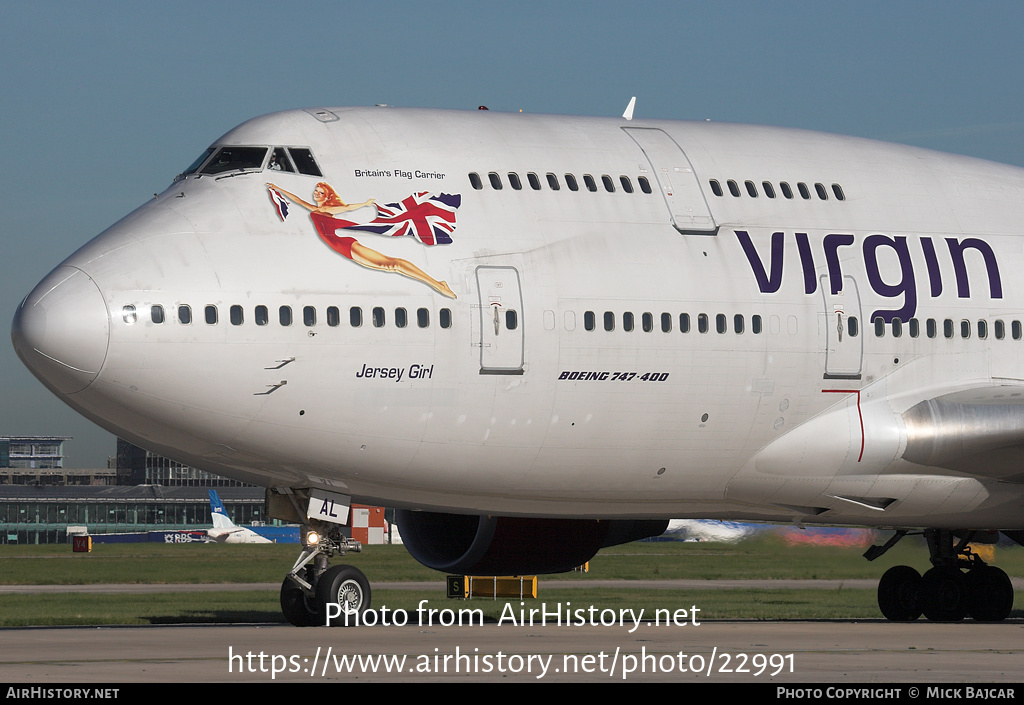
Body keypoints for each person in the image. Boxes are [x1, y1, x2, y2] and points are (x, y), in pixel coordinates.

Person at [268, 182, 456, 298]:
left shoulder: (328, 210)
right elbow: (298, 200)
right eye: (316, 191)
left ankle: (439, 284)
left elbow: (348, 207)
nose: (316, 194)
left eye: (320, 192)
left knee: (392, 264)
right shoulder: (315, 209)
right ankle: (438, 284)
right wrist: (278, 189)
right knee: (388, 265)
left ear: (327, 197)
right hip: (342, 247)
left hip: (346, 245)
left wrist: (365, 204)